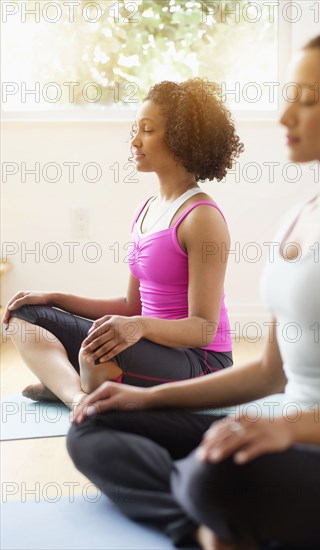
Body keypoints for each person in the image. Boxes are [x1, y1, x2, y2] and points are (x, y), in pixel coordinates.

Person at [68, 26, 320, 549]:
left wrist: (289, 432)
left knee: (216, 476)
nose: (284, 118)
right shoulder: (298, 221)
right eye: (286, 99)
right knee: (93, 425)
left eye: (306, 100)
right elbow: (273, 372)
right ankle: (206, 528)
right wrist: (143, 402)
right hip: (286, 438)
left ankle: (208, 508)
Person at [3, 78, 243, 410]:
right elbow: (132, 305)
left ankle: (70, 383)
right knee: (24, 315)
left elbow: (203, 329)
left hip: (201, 362)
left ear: (181, 140)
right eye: (136, 129)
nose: (134, 140)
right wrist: (54, 298)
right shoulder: (147, 210)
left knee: (96, 357)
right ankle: (76, 397)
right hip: (148, 345)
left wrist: (138, 327)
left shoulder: (201, 218)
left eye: (147, 130)